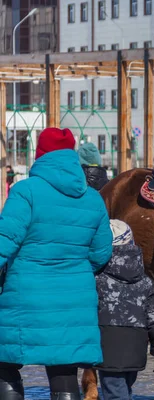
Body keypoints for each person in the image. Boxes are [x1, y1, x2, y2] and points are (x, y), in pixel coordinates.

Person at [0, 127, 113, 400]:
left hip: (24, 298)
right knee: (64, 372)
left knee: (5, 365)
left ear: (41, 155)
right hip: (74, 303)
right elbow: (101, 253)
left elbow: (4, 243)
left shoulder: (25, 191)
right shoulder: (93, 199)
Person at [95, 220, 154, 400]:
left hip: (108, 346)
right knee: (125, 391)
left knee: (115, 394)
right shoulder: (145, 281)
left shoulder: (97, 278)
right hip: (136, 348)